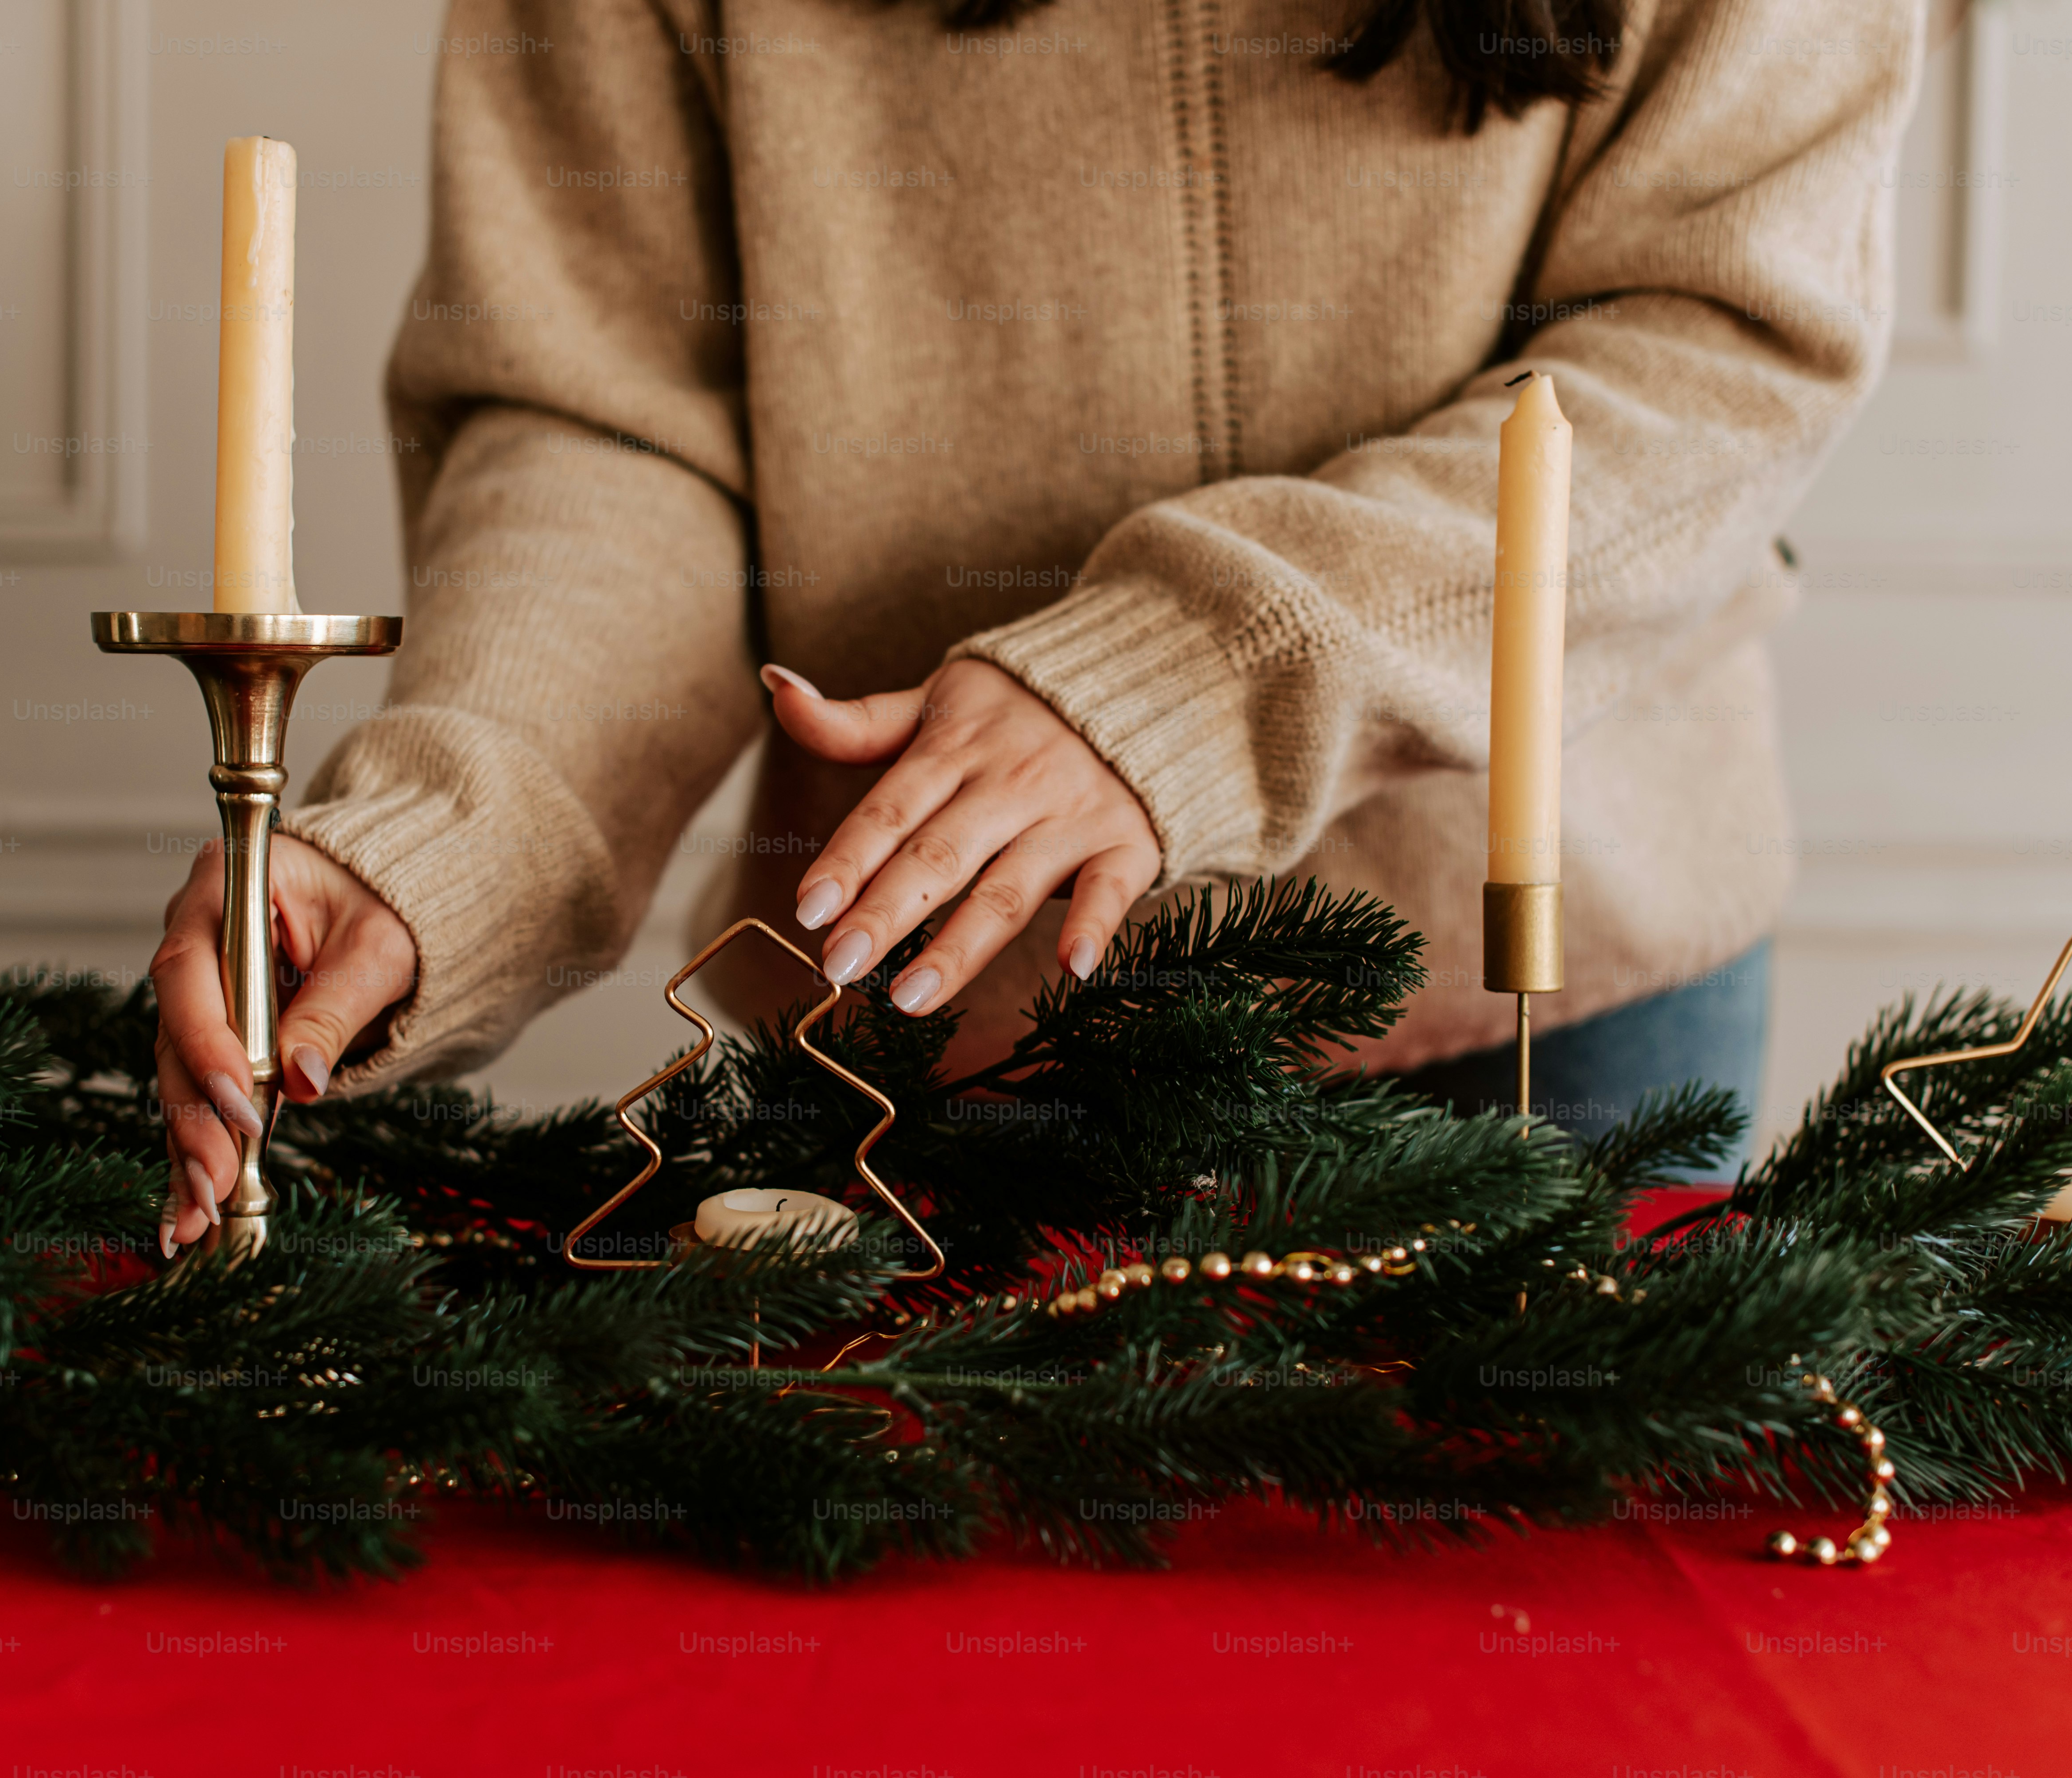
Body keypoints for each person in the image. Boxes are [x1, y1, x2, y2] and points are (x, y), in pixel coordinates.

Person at [150, 0, 1927, 1248]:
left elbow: (1716, 345)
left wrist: (1196, 672)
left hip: (1546, 1001)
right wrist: (452, 840)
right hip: (932, 1034)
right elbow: (610, 415)